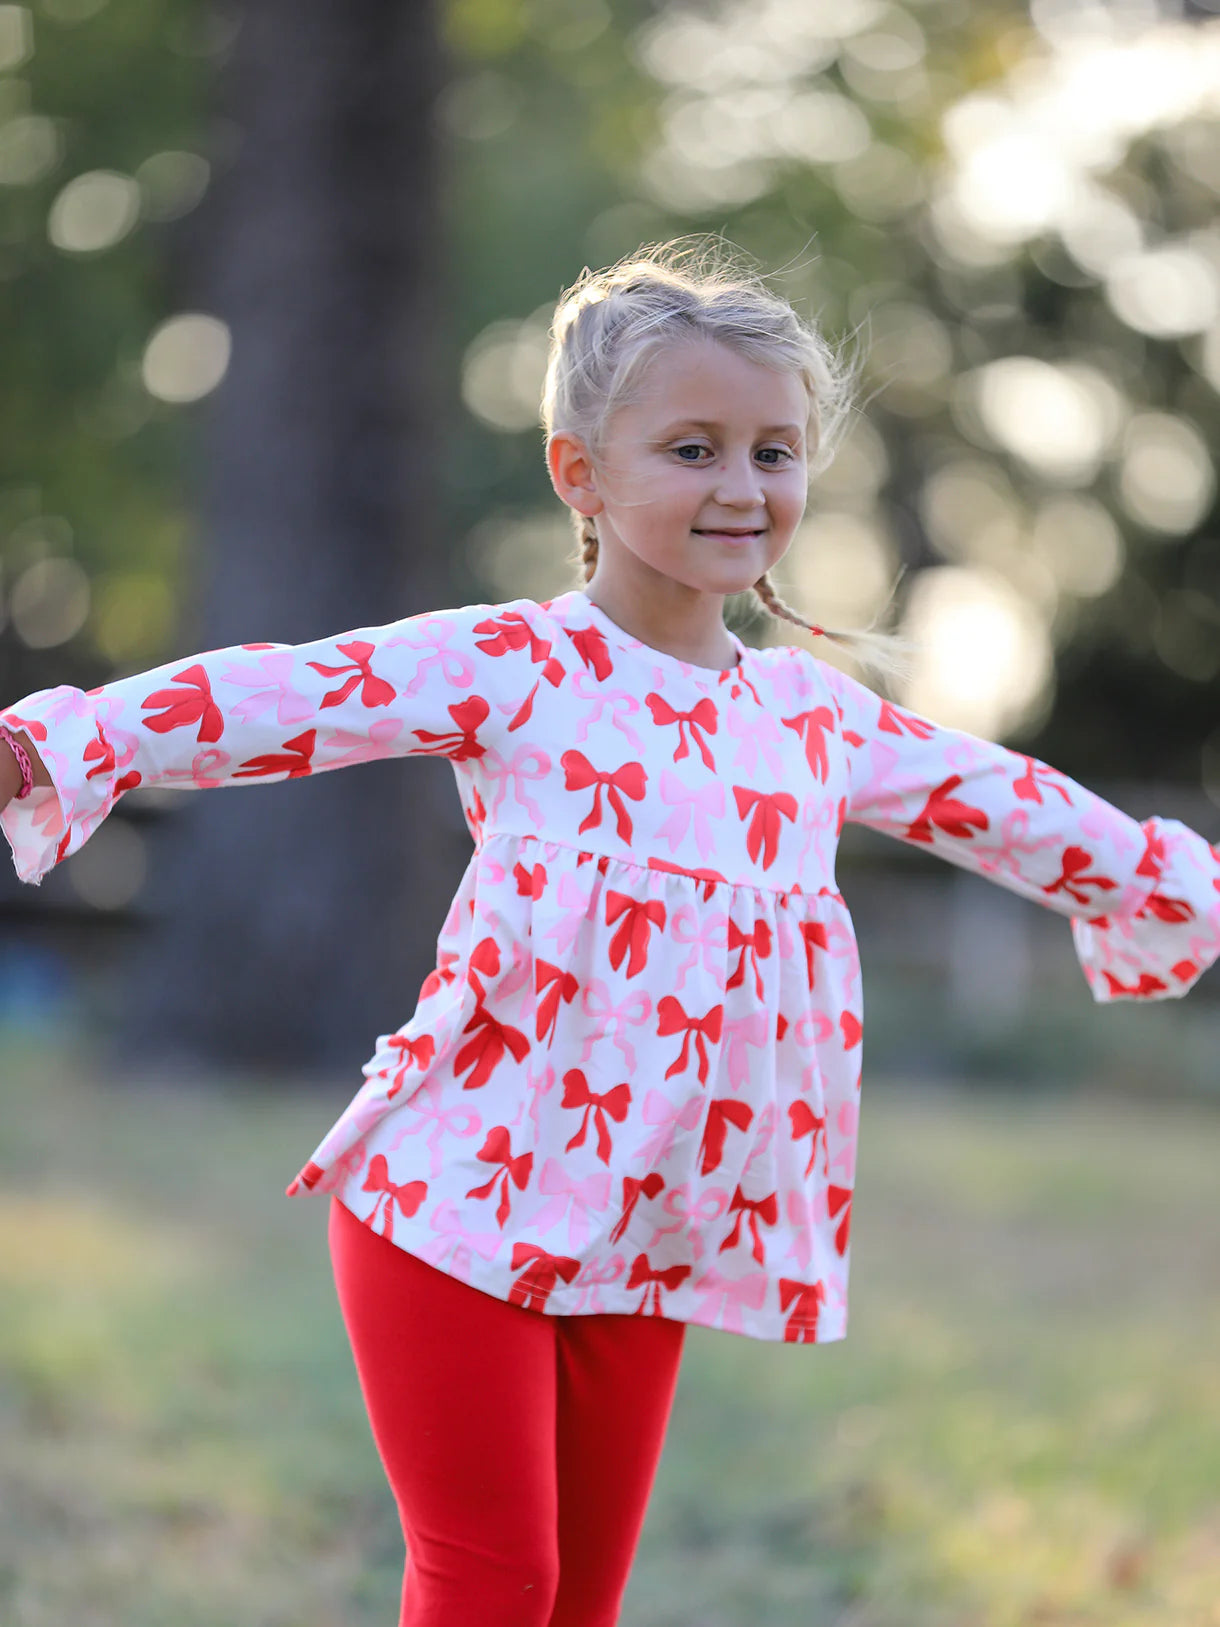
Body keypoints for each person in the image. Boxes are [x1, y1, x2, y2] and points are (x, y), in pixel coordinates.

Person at [1, 240, 1218, 1626]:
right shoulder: (523, 669)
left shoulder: (811, 723)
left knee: (579, 1601)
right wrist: (55, 746)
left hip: (645, 1229)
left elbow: (1012, 806)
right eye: (693, 449)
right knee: (496, 1578)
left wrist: (1174, 887)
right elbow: (291, 693)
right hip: (453, 1208)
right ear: (579, 472)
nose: (742, 486)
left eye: (773, 452)